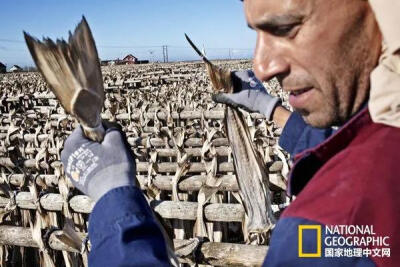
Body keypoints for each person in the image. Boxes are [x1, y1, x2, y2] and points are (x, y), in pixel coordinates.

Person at [61, 0, 400, 266]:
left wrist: (115, 201)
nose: (263, 67)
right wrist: (271, 109)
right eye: (256, 34)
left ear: (379, 13)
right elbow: (356, 154)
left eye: (285, 28)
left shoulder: (329, 226)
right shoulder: (386, 143)